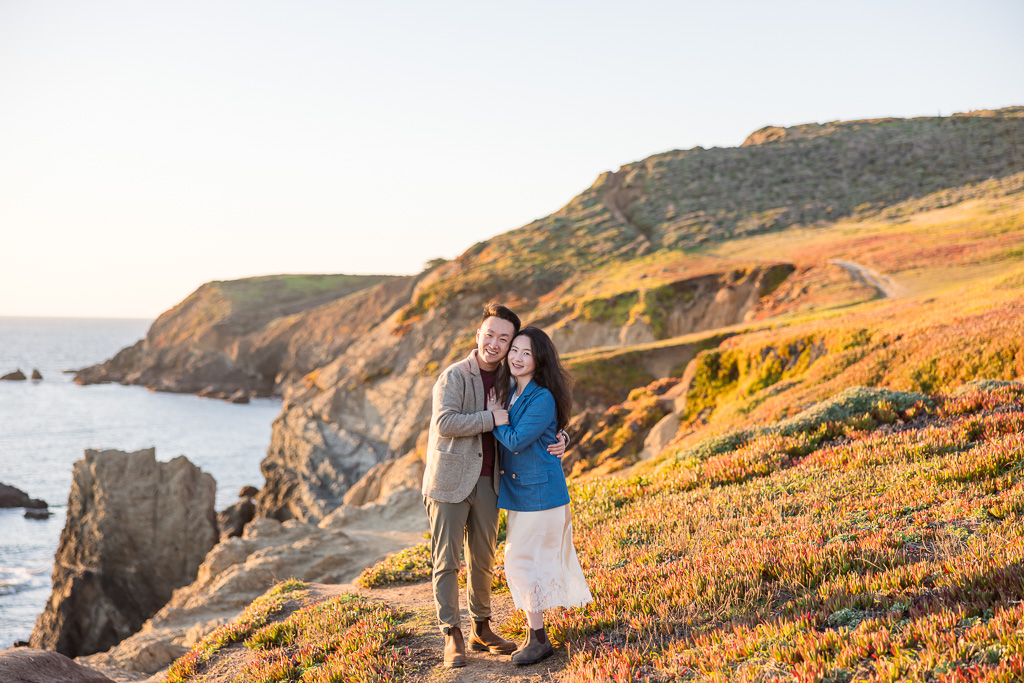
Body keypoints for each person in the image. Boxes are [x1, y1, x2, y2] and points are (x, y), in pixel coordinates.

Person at [421, 303, 567, 668]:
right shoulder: (454, 376)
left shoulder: (509, 376)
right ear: (478, 335)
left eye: (505, 339)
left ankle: (482, 628)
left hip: (490, 481)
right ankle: (452, 634)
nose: (496, 344)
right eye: (490, 335)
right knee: (447, 561)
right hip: (449, 482)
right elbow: (445, 423)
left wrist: (561, 435)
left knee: (483, 559)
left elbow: (537, 408)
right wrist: (490, 417)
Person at [488, 326, 593, 666]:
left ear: (539, 360)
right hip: (521, 493)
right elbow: (544, 431)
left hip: (541, 494)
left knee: (522, 561)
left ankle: (538, 639)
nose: (517, 358)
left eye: (526, 353)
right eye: (514, 350)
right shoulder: (510, 390)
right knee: (525, 561)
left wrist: (496, 420)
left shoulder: (542, 396)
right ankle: (537, 633)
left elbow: (516, 439)